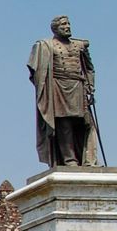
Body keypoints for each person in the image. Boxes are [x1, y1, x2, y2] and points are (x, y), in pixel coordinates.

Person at [28, 15, 99, 167]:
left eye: (68, 24)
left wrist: (90, 87)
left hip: (78, 86)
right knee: (64, 124)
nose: (67, 27)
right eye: (63, 25)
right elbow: (36, 72)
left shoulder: (79, 46)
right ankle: (69, 159)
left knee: (84, 123)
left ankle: (87, 159)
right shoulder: (46, 45)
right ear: (55, 28)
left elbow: (89, 68)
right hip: (58, 87)